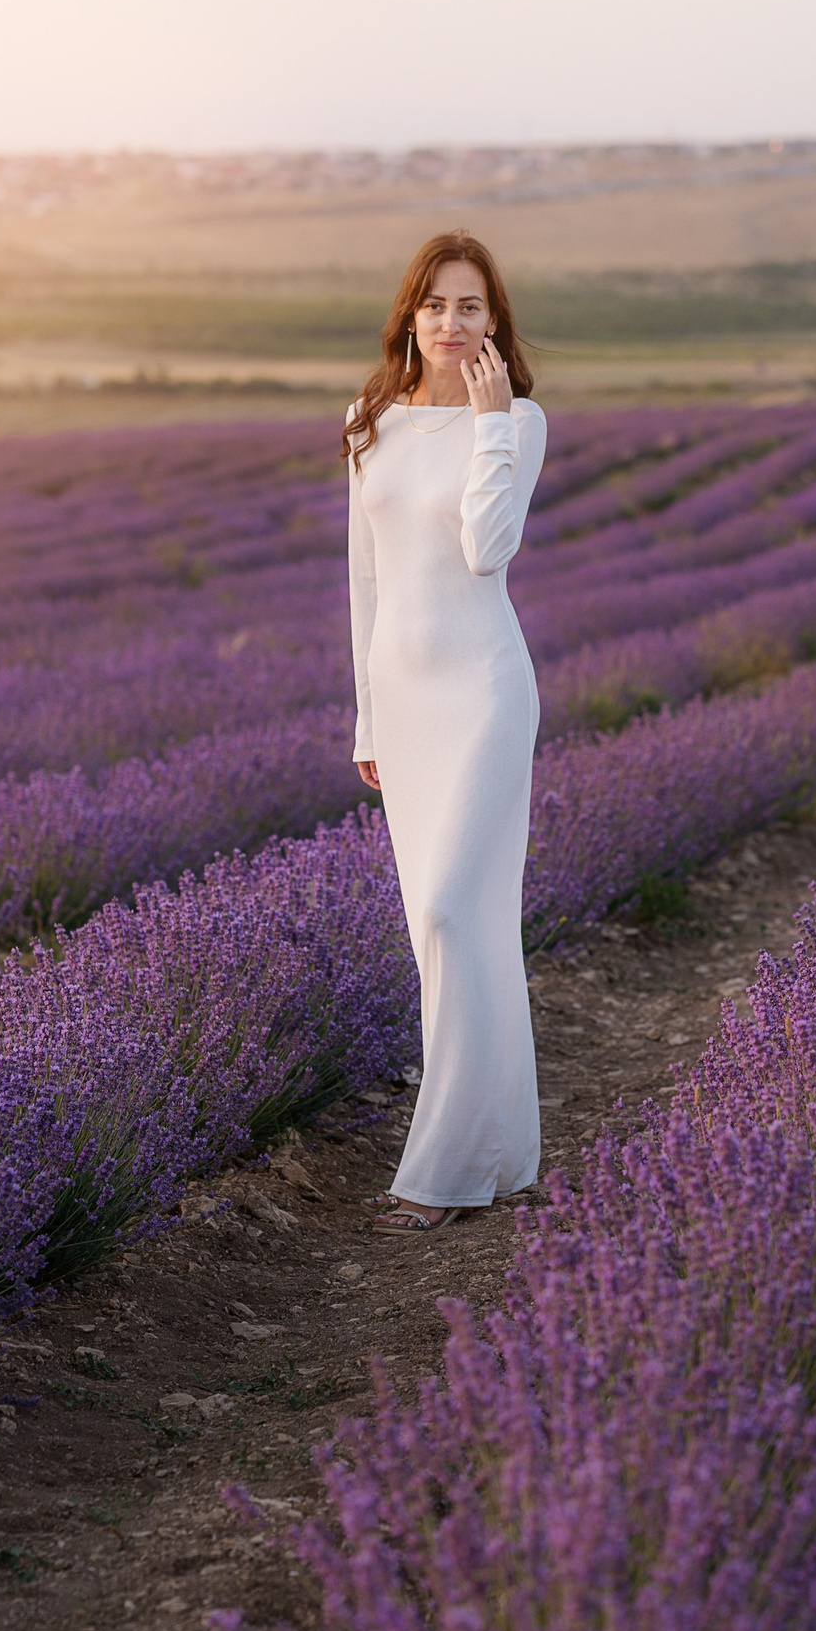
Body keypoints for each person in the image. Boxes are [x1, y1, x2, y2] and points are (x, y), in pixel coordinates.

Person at [341, 230, 547, 1233]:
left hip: (484, 694)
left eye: (470, 307)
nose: (451, 324)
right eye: (434, 305)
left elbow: (485, 551)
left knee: (454, 918)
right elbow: (365, 578)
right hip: (406, 702)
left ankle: (442, 1171)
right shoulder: (367, 419)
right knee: (456, 937)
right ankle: (506, 1156)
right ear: (410, 315)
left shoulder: (515, 419)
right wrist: (366, 713)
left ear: (495, 322)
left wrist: (492, 423)